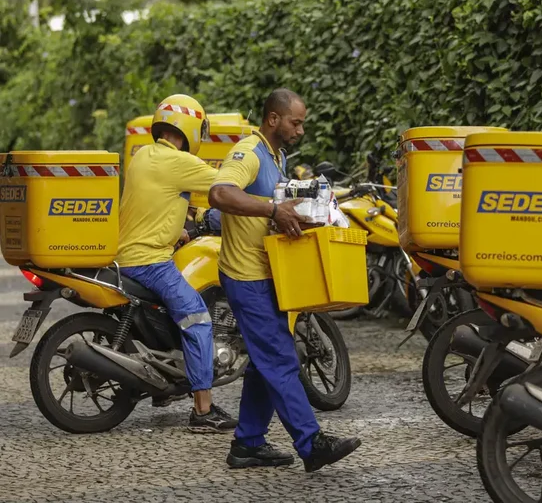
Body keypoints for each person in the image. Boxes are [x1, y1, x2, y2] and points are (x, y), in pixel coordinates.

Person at [209, 88, 361, 471]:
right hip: (245, 276)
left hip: (267, 274)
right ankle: (311, 445)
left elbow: (272, 210)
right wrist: (274, 209)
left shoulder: (277, 157)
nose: (301, 129)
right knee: (279, 357)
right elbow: (220, 193)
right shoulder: (249, 152)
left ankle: (247, 444)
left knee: (264, 362)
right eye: (296, 122)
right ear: (273, 119)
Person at [116, 93, 238, 433]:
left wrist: (180, 230)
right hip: (149, 261)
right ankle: (203, 410)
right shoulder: (178, 162)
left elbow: (159, 202)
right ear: (190, 127)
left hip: (128, 254)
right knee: (198, 320)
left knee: (176, 313)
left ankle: (164, 388)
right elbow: (227, 186)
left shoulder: (143, 156)